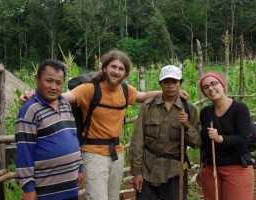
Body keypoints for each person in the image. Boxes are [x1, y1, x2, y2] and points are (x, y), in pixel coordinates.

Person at [19, 50, 189, 200]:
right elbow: (61, 96)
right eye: (113, 67)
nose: (116, 71)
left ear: (125, 73)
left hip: (117, 152)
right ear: (105, 68)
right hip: (93, 154)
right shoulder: (89, 89)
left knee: (113, 197)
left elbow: (143, 97)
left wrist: (168, 92)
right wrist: (32, 94)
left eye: (121, 69)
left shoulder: (125, 90)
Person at [129, 65, 202, 200]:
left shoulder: (189, 109)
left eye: (174, 82)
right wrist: (137, 172)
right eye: (166, 82)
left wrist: (187, 127)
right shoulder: (148, 107)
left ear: (180, 83)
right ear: (160, 84)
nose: (170, 86)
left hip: (174, 171)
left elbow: (197, 143)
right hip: (148, 169)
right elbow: (137, 141)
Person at [15, 59, 83, 200]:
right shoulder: (29, 111)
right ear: (37, 80)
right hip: (46, 190)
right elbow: (24, 150)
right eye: (49, 81)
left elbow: (73, 137)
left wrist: (80, 168)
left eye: (58, 83)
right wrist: (28, 187)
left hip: (70, 186)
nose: (54, 87)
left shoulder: (64, 103)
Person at [198, 72, 254, 200]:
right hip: (210, 169)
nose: (211, 88)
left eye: (214, 83)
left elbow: (243, 138)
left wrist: (220, 138)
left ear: (222, 85)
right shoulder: (205, 113)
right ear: (204, 93)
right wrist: (201, 167)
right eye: (206, 87)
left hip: (237, 167)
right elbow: (204, 143)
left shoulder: (239, 108)